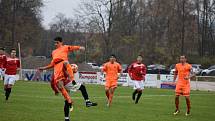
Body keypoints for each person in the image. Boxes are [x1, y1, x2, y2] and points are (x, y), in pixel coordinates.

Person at [39, 36, 85, 121]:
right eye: (55, 43)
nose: (55, 44)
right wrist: (44, 68)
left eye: (57, 42)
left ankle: (72, 81)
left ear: (61, 42)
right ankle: (69, 107)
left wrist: (80, 47)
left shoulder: (65, 47)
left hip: (63, 67)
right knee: (61, 88)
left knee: (66, 63)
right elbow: (52, 64)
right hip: (57, 70)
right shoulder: (54, 52)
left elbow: (72, 47)